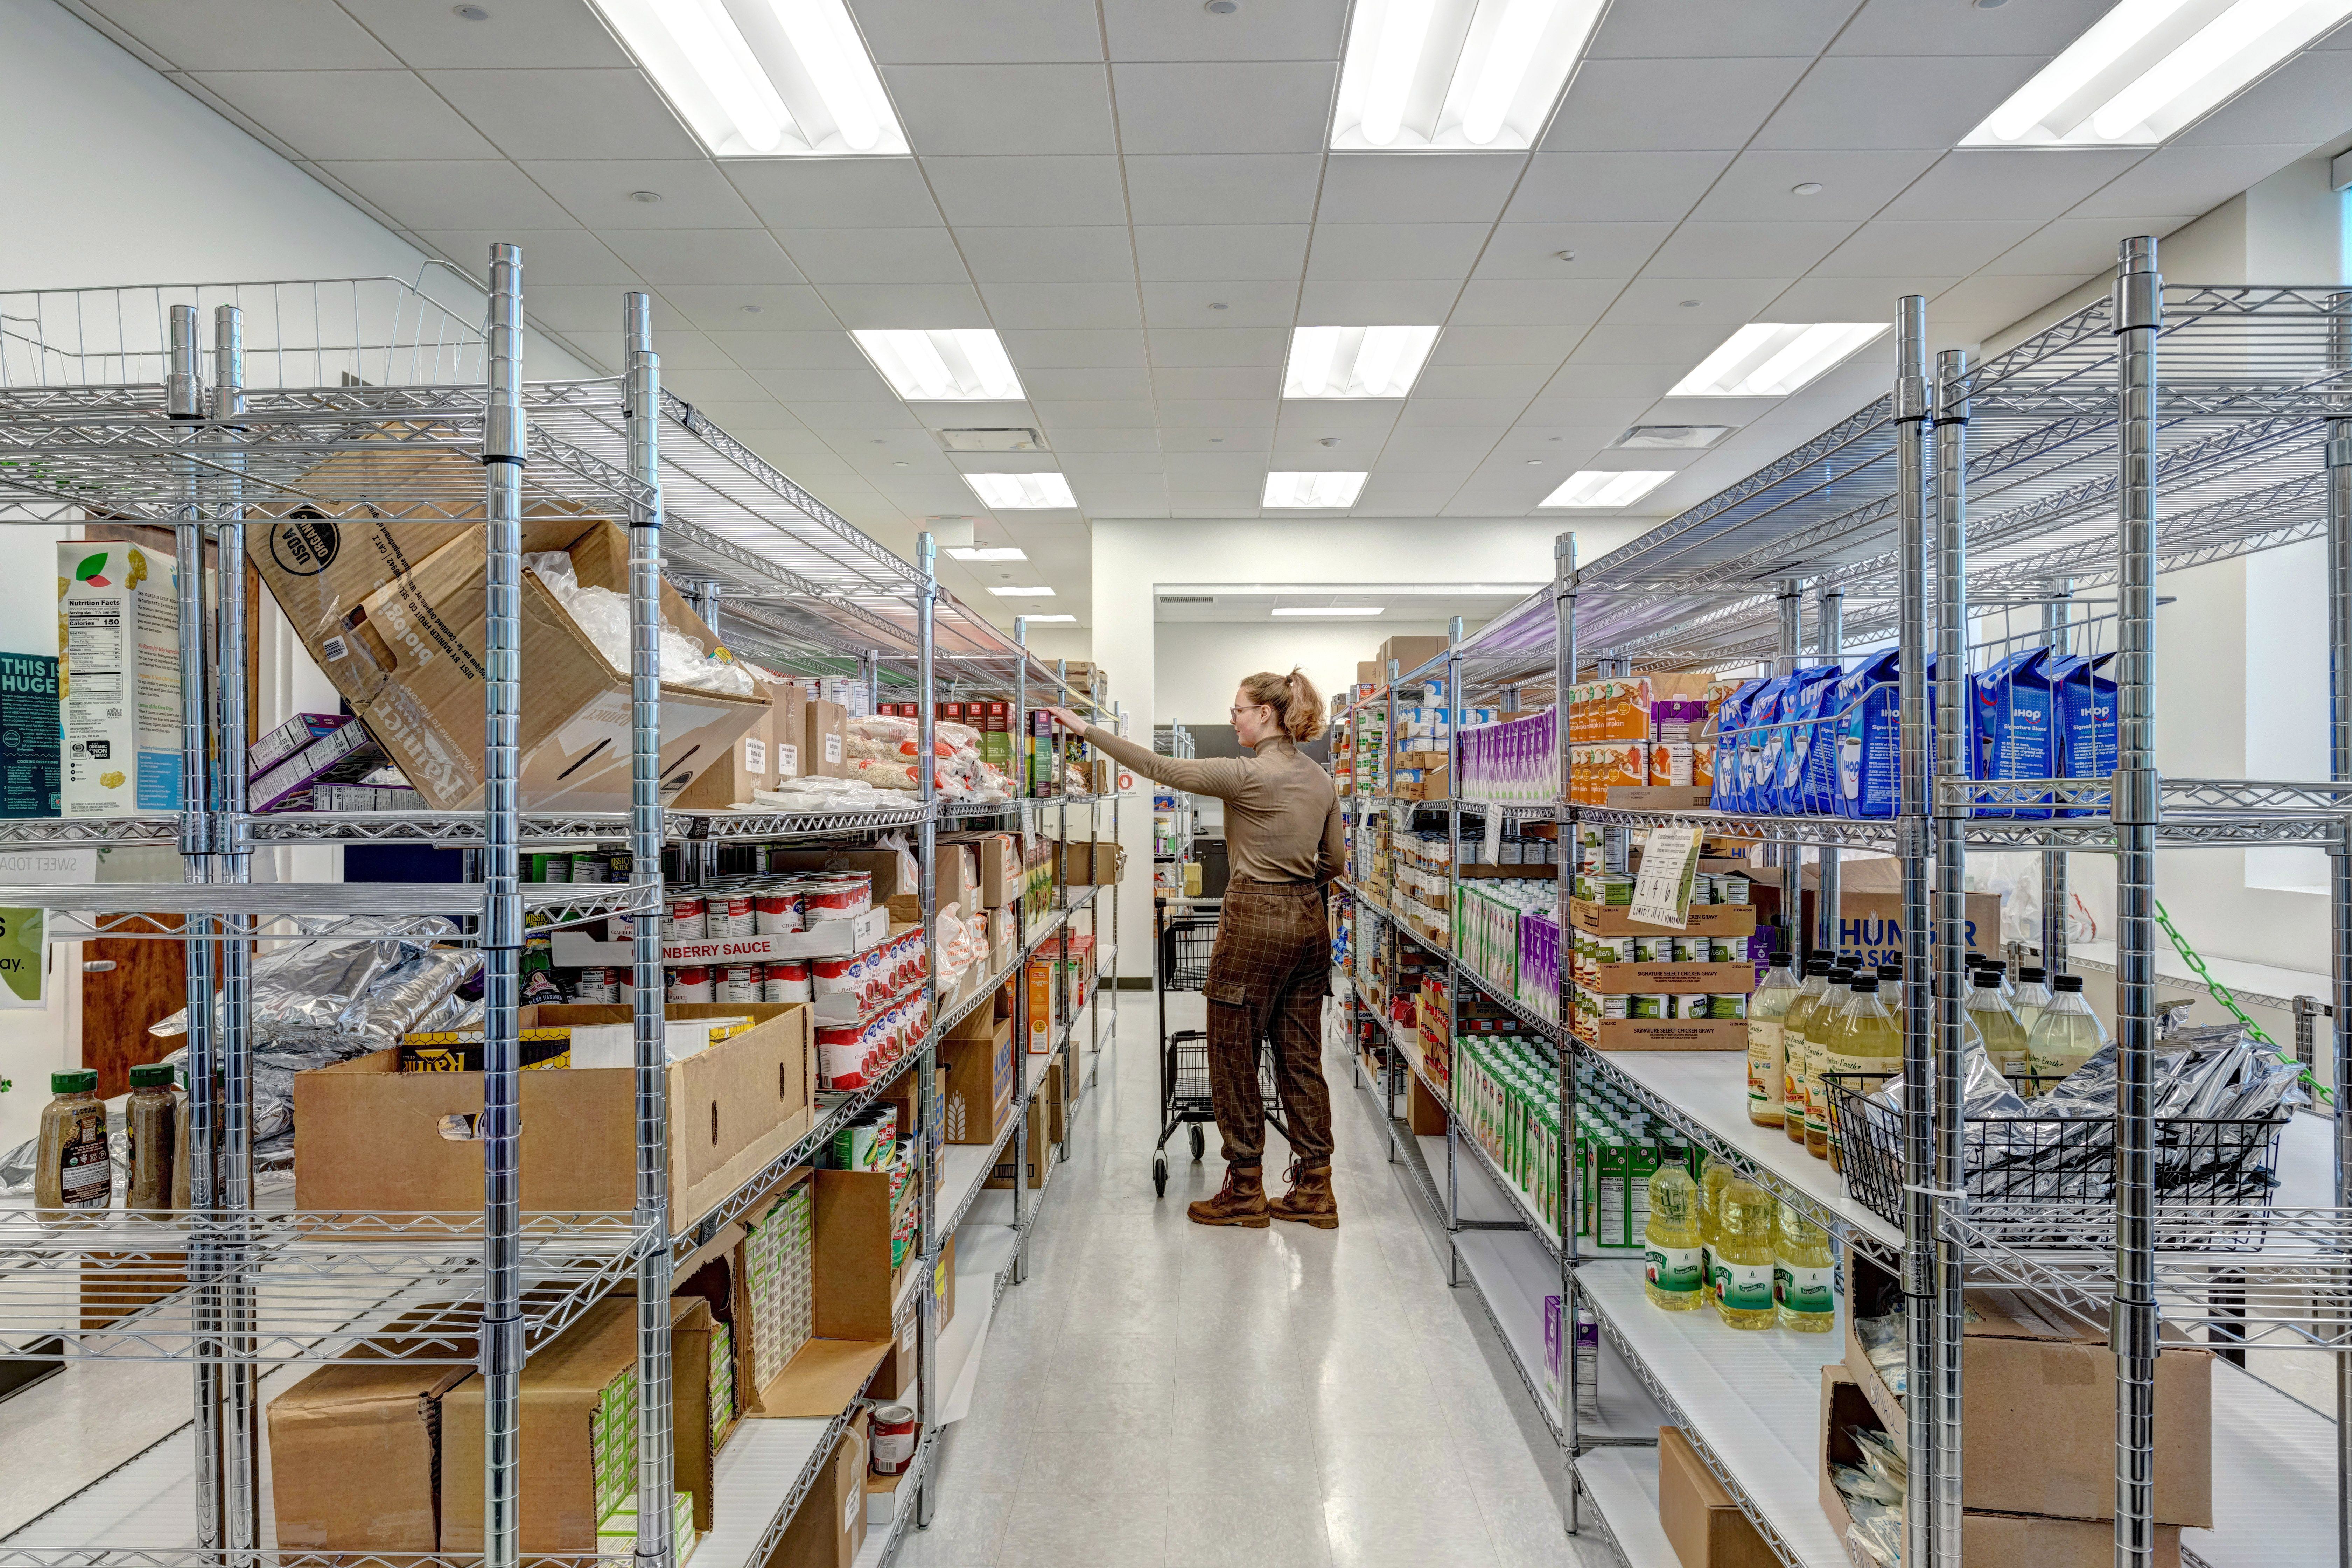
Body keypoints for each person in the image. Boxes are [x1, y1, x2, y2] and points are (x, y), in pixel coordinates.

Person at [1043, 669, 1344, 1229]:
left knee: (1233, 1052)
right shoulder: (1320, 778)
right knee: (1300, 1057)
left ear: (1266, 715)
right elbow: (1337, 864)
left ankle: (1247, 1190)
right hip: (1309, 920)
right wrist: (1298, 880)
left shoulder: (1246, 775)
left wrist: (1086, 729)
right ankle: (1315, 1188)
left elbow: (1156, 767)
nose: (1232, 718)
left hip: (1255, 918)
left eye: (1238, 709)